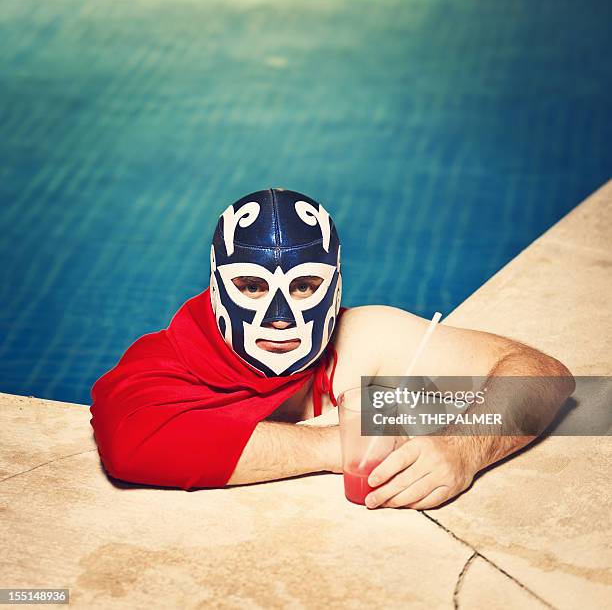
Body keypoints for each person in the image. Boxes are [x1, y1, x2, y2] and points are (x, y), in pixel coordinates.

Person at [90, 188, 574, 510]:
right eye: (251, 286)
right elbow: (131, 445)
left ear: (336, 290)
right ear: (217, 290)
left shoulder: (364, 339)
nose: (279, 312)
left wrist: (462, 448)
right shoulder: (166, 361)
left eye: (304, 285)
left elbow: (545, 376)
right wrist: (334, 445)